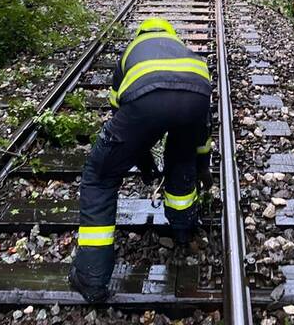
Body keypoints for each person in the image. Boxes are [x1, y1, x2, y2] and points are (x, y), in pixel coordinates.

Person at [68, 18, 214, 303]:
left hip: (145, 100)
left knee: (99, 177)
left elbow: (121, 116)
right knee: (181, 156)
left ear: (141, 33)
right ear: (170, 35)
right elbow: (202, 135)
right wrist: (203, 165)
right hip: (197, 95)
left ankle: (91, 278)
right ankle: (182, 228)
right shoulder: (182, 50)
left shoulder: (130, 50)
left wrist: (139, 157)